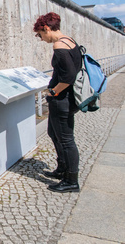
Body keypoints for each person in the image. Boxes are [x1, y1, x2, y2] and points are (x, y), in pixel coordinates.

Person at [33, 12, 82, 193]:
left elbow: (69, 76)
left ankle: (71, 180)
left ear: (46, 28)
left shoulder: (59, 46)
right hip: (66, 99)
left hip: (62, 100)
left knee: (67, 140)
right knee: (54, 133)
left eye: (40, 34)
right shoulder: (70, 41)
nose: (40, 38)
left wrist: (54, 91)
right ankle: (62, 168)